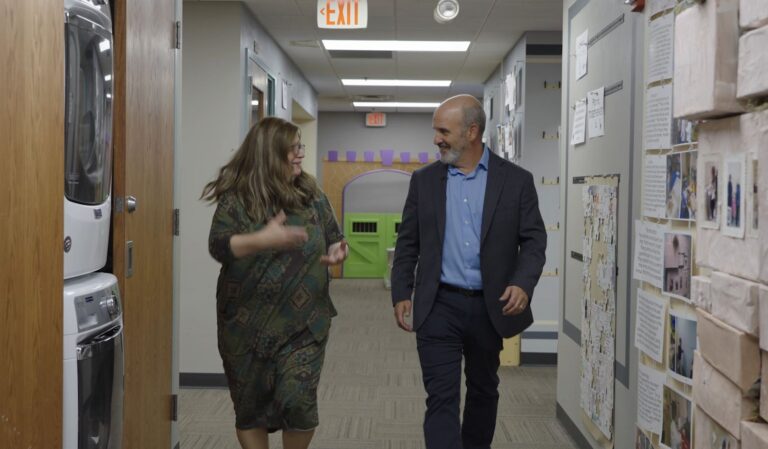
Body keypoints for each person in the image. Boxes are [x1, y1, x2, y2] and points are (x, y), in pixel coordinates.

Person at [390, 94, 547, 449]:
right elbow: (408, 243)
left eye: (444, 130)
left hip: (489, 307)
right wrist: (401, 291)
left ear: (472, 132)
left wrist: (523, 284)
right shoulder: (425, 181)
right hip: (437, 306)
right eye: (435, 130)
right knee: (441, 398)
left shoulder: (516, 181)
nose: (436, 139)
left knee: (483, 390)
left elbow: (534, 240)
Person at [202, 117, 348, 449]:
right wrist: (262, 240)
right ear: (270, 153)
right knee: (249, 409)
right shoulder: (238, 199)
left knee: (298, 403)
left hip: (305, 324)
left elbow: (335, 238)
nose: (299, 155)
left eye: (300, 147)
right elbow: (219, 246)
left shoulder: (310, 193)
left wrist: (338, 251)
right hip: (245, 323)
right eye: (292, 149)